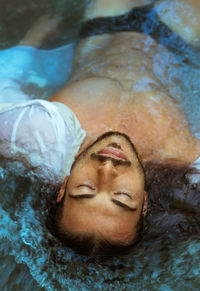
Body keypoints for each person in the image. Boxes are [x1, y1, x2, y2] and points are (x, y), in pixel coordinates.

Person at [0, 0, 200, 256]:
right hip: (179, 34)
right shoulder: (180, 155)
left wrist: (33, 38)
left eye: (85, 189)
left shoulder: (39, 138)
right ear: (145, 203)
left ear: (63, 188)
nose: (106, 170)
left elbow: (3, 85)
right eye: (122, 196)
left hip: (106, 21)